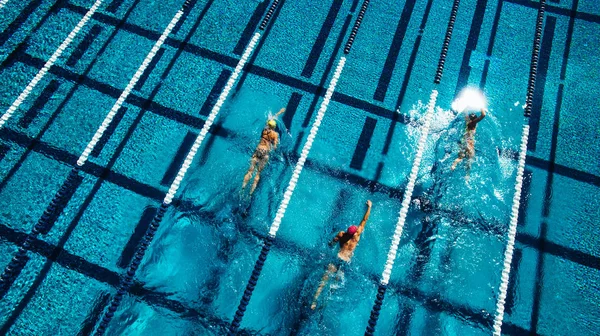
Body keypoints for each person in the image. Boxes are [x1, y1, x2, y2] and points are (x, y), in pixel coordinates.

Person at [310, 200, 372, 310]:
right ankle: (324, 304)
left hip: (337, 258)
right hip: (346, 261)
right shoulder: (357, 236)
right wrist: (369, 207)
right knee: (334, 285)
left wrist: (331, 244)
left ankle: (314, 302)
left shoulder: (341, 234)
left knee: (323, 281)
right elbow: (364, 220)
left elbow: (332, 243)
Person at [242, 108, 285, 195]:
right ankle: (250, 193)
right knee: (258, 173)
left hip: (258, 149)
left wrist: (279, 112)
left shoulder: (264, 129)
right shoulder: (275, 134)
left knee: (250, 170)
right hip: (265, 152)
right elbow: (275, 147)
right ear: (274, 127)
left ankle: (243, 188)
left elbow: (271, 118)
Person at [450, 108, 486, 180]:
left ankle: (454, 164)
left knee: (460, 157)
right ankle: (467, 175)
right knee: (469, 160)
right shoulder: (472, 124)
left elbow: (465, 111)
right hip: (469, 144)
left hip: (463, 142)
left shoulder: (467, 121)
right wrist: (482, 106)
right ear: (475, 120)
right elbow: (483, 115)